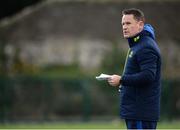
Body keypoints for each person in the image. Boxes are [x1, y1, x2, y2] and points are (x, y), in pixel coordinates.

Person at [108, 8, 161, 129]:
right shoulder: (137, 44)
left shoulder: (146, 46)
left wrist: (122, 80)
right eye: (122, 24)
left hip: (141, 113)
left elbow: (148, 76)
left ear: (140, 25)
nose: (124, 27)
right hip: (136, 111)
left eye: (128, 23)